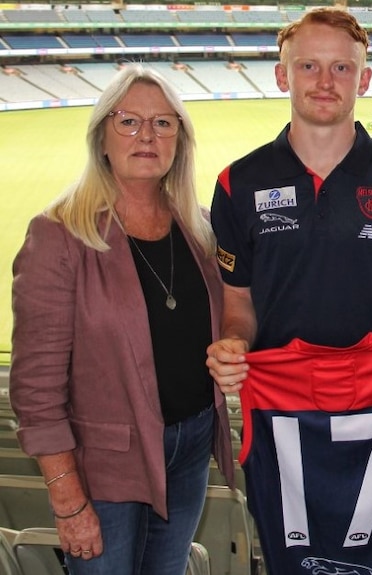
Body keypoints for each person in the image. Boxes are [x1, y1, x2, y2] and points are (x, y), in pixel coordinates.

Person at [204, 7, 372, 574]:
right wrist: (234, 346)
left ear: (364, 80)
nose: (325, 81)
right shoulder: (237, 182)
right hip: (282, 410)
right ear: (281, 75)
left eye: (342, 68)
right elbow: (238, 302)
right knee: (300, 554)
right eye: (309, 66)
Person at [9, 64, 235, 575]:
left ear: (180, 137)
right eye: (128, 121)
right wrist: (67, 500)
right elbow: (36, 388)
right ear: (101, 137)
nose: (147, 135)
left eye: (163, 123)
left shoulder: (200, 229)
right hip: (105, 466)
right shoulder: (59, 235)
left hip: (192, 445)